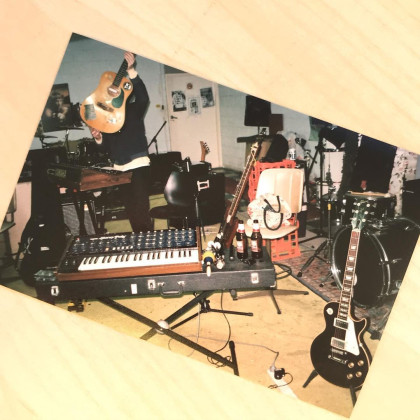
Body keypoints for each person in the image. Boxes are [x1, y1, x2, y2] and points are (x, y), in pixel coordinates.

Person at [90, 51, 153, 233]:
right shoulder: (107, 117)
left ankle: (148, 240)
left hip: (138, 165)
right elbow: (105, 147)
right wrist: (98, 138)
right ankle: (139, 239)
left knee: (141, 209)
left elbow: (144, 97)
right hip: (119, 168)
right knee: (131, 210)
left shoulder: (134, 109)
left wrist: (131, 71)